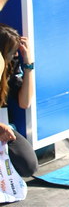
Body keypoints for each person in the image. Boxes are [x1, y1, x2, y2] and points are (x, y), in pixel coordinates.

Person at [0, 24, 38, 178]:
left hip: (3, 126)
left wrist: (28, 64)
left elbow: (25, 102)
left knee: (28, 165)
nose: (16, 55)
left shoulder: (11, 65)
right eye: (12, 51)